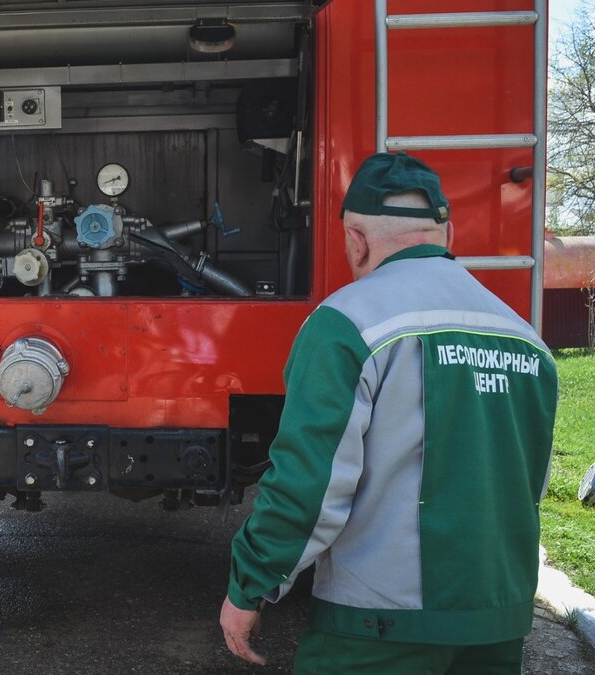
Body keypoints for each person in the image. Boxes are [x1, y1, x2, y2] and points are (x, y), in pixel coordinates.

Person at [219, 152, 558, 673]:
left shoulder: (347, 323)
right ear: (447, 235)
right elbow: (529, 484)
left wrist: (250, 585)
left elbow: (310, 484)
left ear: (356, 240)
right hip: (496, 623)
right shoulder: (524, 338)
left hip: (377, 628)